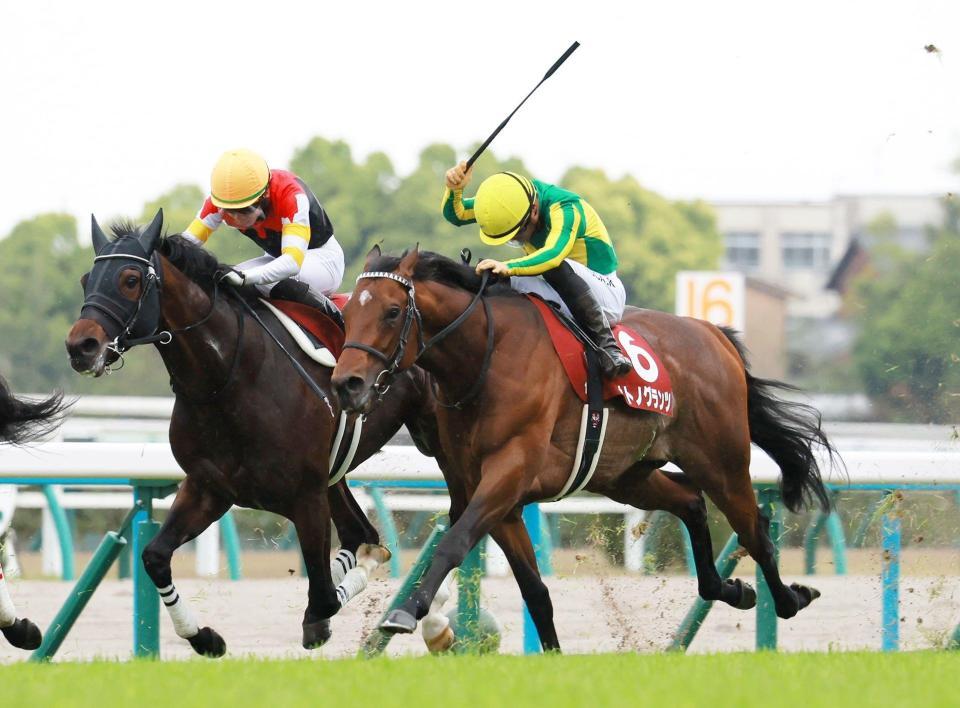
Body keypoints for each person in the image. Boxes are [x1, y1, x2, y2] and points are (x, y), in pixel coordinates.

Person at [441, 161, 631, 379]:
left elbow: (553, 255)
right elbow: (457, 215)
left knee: (554, 267)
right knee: (489, 277)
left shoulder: (566, 208)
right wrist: (454, 188)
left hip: (604, 298)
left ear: (533, 211)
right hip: (558, 290)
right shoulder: (510, 200)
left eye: (517, 235)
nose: (516, 240)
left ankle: (608, 348)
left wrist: (509, 266)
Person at [182, 149, 344, 323]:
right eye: (229, 211)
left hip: (323, 260)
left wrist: (246, 277)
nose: (234, 217)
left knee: (257, 280)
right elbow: (184, 244)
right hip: (275, 259)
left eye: (242, 210)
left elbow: (292, 263)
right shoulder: (222, 201)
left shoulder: (291, 195)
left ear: (264, 195)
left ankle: (335, 319)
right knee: (224, 281)